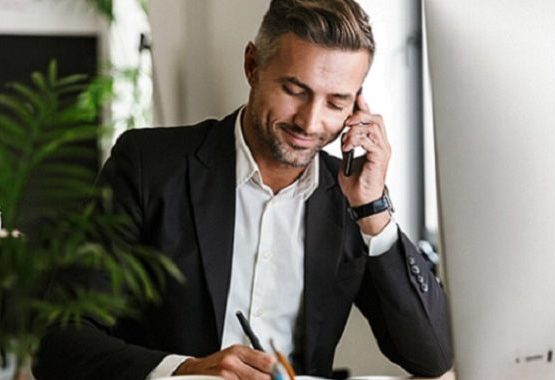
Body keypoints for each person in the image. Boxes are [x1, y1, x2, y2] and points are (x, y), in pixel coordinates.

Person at [34, 0, 453, 379]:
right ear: (253, 65)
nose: (310, 122)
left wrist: (374, 211)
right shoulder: (149, 165)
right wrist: (185, 371)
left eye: (336, 102)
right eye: (294, 90)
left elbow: (431, 356)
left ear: (357, 103)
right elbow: (61, 341)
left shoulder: (349, 198)